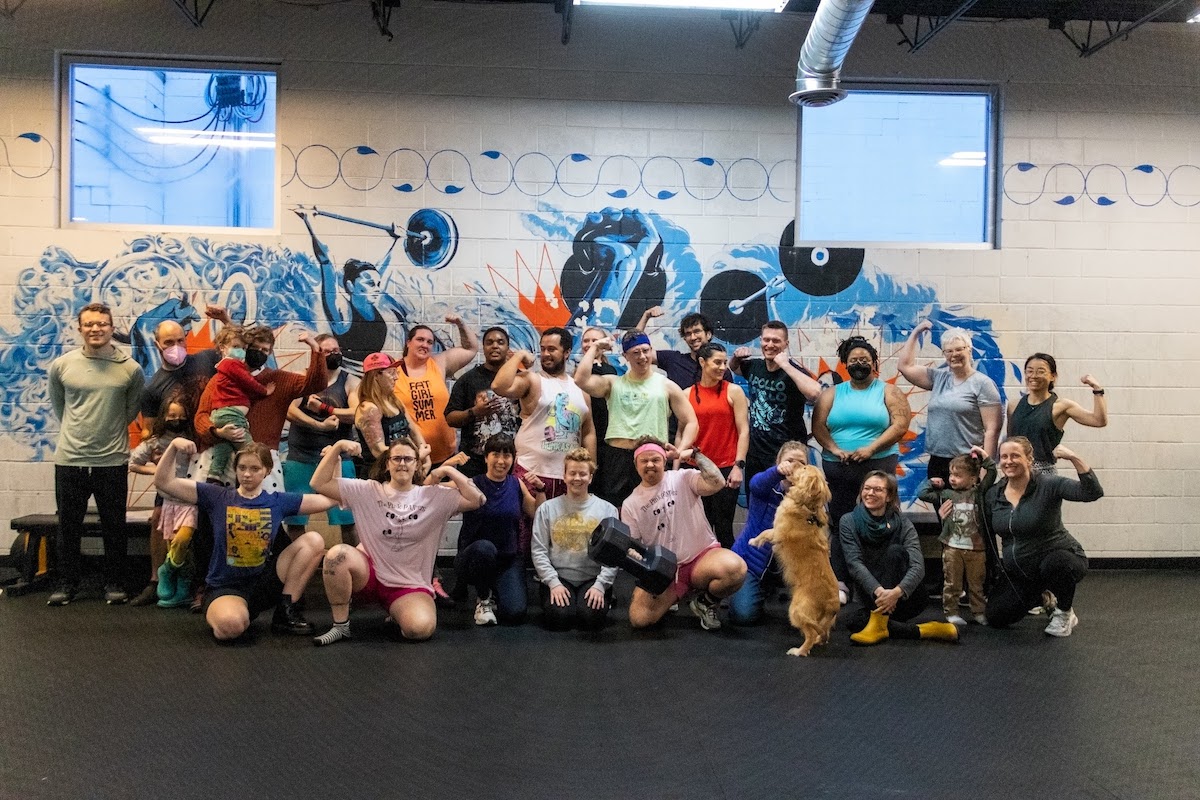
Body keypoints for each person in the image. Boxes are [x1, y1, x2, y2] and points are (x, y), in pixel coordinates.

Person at [308, 437, 486, 646]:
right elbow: (318, 483)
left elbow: (477, 500)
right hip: (370, 576)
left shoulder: (433, 496)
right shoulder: (367, 490)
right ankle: (340, 626)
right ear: (387, 463)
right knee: (336, 555)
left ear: (416, 464)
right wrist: (337, 447)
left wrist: (447, 471)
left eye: (408, 459)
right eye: (397, 458)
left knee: (419, 630)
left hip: (408, 586)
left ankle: (397, 612)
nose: (402, 463)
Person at [153, 438, 332, 641]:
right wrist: (174, 446)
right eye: (242, 468)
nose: (247, 474)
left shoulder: (277, 501)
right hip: (226, 587)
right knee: (231, 627)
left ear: (266, 470)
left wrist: (333, 457)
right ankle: (234, 612)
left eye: (255, 469)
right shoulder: (217, 496)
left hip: (263, 584)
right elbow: (163, 482)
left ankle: (285, 611)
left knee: (314, 541)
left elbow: (331, 499)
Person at [47, 302, 146, 606]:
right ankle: (66, 583)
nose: (95, 329)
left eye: (102, 323)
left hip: (112, 460)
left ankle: (114, 582)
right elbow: (61, 408)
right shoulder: (62, 366)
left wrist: (106, 432)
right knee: (68, 526)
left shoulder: (130, 369)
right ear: (80, 329)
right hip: (70, 459)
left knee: (114, 526)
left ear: (111, 326)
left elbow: (130, 411)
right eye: (89, 324)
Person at [129, 310, 226, 606]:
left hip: (209, 453)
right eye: (168, 341)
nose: (176, 345)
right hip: (177, 462)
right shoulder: (152, 388)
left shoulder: (206, 359)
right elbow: (150, 433)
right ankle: (157, 579)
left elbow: (238, 348)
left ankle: (204, 585)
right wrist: (160, 466)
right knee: (159, 518)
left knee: (209, 522)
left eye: (180, 340)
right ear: (157, 344)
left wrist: (226, 319)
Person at [812, 335, 912, 599]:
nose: (859, 363)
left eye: (865, 360)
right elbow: (818, 428)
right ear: (845, 363)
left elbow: (900, 425)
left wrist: (870, 449)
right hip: (839, 466)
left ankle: (882, 580)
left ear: (874, 363)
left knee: (881, 521)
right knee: (842, 523)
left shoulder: (888, 391)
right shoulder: (832, 393)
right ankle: (842, 582)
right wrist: (835, 449)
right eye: (854, 360)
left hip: (878, 464)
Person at [620, 438, 747, 631]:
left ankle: (705, 602)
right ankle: (678, 594)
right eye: (644, 461)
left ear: (664, 460)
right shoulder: (631, 504)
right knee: (640, 619)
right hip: (667, 570)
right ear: (636, 464)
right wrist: (649, 572)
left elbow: (718, 482)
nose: (650, 465)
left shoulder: (682, 477)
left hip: (700, 559)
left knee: (735, 568)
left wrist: (694, 455)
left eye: (655, 459)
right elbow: (634, 545)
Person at [983, 438, 1102, 637]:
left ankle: (1064, 613)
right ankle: (1044, 598)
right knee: (996, 617)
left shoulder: (1049, 485)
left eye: (1015, 456)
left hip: (1060, 558)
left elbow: (1092, 492)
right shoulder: (994, 494)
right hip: (1021, 572)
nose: (1008, 461)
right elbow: (983, 527)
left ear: (1029, 459)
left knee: (1056, 564)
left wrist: (1074, 457)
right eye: (1004, 457)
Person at [575, 331, 698, 507]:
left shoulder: (666, 385)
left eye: (645, 351)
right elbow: (580, 379)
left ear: (651, 350)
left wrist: (680, 450)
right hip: (618, 457)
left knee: (654, 508)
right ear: (626, 356)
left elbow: (691, 421)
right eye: (635, 353)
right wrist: (595, 347)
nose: (642, 357)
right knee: (616, 512)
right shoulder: (613, 383)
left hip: (652, 456)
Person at [838, 471, 959, 646]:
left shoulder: (903, 523)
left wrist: (895, 593)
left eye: (878, 490)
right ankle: (927, 630)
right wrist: (881, 593)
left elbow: (918, 566)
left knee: (895, 552)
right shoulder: (848, 521)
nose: (870, 493)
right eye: (867, 488)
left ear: (889, 496)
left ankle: (879, 622)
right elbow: (854, 564)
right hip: (875, 596)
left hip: (905, 597)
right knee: (853, 621)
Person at [493, 326, 595, 503]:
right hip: (530, 473)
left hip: (568, 478)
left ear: (567, 352)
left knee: (562, 530)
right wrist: (519, 356)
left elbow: (588, 432)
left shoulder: (581, 388)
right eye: (543, 349)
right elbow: (498, 386)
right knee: (526, 530)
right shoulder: (532, 380)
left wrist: (590, 468)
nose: (546, 354)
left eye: (552, 349)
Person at [297, 208, 405, 373]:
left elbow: (382, 267)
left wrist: (397, 240)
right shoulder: (342, 313)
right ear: (350, 286)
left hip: (374, 375)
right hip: (350, 378)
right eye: (370, 283)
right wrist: (309, 220)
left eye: (377, 283)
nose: (376, 289)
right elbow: (326, 261)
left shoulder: (370, 298)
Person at [897, 320, 1002, 483]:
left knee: (965, 508)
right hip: (937, 461)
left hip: (967, 462)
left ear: (969, 350)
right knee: (941, 508)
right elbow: (904, 366)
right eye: (949, 351)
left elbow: (992, 430)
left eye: (959, 349)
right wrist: (916, 332)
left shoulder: (983, 384)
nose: (954, 354)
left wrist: (985, 470)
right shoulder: (938, 378)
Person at [454, 434, 543, 626]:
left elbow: (536, 512)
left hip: (507, 559)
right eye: (495, 454)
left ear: (513, 459)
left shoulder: (516, 484)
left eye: (507, 455)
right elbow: (429, 488)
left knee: (514, 614)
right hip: (473, 558)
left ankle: (494, 588)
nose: (501, 461)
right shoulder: (472, 484)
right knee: (485, 548)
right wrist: (446, 467)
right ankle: (483, 599)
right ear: (486, 457)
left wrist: (540, 489)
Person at [530, 447, 619, 632]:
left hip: (592, 578)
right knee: (559, 618)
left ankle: (604, 597)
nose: (577, 478)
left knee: (590, 620)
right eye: (572, 473)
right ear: (564, 476)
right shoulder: (546, 509)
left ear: (591, 478)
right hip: (560, 577)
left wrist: (600, 586)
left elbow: (614, 555)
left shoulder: (608, 510)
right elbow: (538, 551)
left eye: (582, 474)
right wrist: (553, 583)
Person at [283, 334, 360, 544]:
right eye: (327, 351)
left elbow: (356, 414)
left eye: (337, 350)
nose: (334, 354)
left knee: (348, 521)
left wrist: (324, 409)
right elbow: (288, 411)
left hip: (339, 460)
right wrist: (318, 424)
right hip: (301, 457)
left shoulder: (350, 381)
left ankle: (355, 568)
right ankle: (299, 566)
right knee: (295, 520)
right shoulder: (302, 378)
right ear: (316, 354)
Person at [730, 321, 821, 493]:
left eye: (776, 341)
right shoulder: (754, 366)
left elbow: (815, 393)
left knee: (787, 505)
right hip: (756, 453)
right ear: (760, 341)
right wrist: (736, 357)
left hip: (787, 455)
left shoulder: (794, 372)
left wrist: (785, 365)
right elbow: (735, 368)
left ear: (786, 344)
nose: (770, 345)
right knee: (757, 500)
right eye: (766, 340)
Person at [129, 396, 200, 608]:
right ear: (164, 417)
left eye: (181, 416)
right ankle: (170, 582)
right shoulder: (155, 442)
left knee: (185, 538)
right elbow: (133, 463)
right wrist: (158, 471)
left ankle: (174, 574)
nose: (177, 420)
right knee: (168, 537)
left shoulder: (194, 439)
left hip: (190, 497)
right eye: (172, 416)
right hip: (168, 498)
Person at [728, 440, 808, 626]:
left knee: (807, 617)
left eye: (801, 463)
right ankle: (748, 591)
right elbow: (756, 484)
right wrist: (777, 472)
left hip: (789, 567)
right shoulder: (765, 488)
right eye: (789, 461)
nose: (794, 466)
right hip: (753, 564)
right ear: (779, 462)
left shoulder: (809, 497)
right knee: (743, 616)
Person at [917, 446, 996, 626]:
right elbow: (922, 494)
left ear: (973, 478)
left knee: (977, 584)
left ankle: (978, 611)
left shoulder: (979, 493)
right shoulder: (946, 495)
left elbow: (991, 472)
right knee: (952, 583)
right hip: (952, 547)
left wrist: (985, 458)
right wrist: (931, 482)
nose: (952, 478)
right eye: (951, 474)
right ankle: (951, 612)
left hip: (976, 548)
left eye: (958, 475)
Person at [686, 342, 749, 548]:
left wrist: (738, 467)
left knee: (723, 527)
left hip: (725, 469)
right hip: (696, 470)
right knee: (698, 528)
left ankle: (730, 576)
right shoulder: (687, 394)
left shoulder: (734, 391)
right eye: (717, 362)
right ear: (702, 362)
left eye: (724, 362)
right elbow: (682, 433)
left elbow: (744, 430)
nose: (723, 367)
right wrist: (677, 468)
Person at [393, 316, 478, 465]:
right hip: (411, 458)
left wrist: (460, 324)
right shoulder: (393, 372)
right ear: (408, 342)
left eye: (429, 342)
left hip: (446, 456)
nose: (425, 345)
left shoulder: (438, 364)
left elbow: (470, 349)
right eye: (420, 340)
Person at [1008, 353, 1108, 475]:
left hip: (1043, 473)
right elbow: (1010, 441)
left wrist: (1097, 389)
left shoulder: (1061, 406)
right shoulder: (1014, 406)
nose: (1034, 376)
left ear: (1053, 376)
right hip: (1015, 471)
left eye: (1041, 371)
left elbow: (1098, 420)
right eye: (1029, 371)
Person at [444, 326, 522, 478]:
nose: (495, 346)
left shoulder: (521, 379)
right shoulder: (468, 380)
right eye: (489, 342)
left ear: (507, 348)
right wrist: (475, 412)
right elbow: (450, 418)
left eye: (500, 342)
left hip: (509, 462)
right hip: (473, 464)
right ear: (484, 347)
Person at [206, 326, 274, 482]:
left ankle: (214, 476)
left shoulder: (226, 367)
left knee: (224, 447)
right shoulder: (232, 365)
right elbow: (248, 381)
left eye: (244, 348)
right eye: (237, 347)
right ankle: (244, 482)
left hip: (222, 415)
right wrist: (265, 391)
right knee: (250, 451)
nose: (241, 351)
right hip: (232, 415)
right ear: (223, 348)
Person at [353, 352, 429, 477]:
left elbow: (412, 430)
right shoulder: (369, 409)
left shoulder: (394, 400)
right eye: (391, 373)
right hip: (380, 475)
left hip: (403, 469)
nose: (396, 377)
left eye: (396, 372)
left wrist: (424, 453)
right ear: (376, 376)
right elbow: (378, 451)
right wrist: (414, 457)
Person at [580, 326, 621, 506]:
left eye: (595, 340)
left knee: (606, 490)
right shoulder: (577, 371)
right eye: (586, 340)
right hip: (583, 435)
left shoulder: (609, 370)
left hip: (606, 439)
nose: (590, 344)